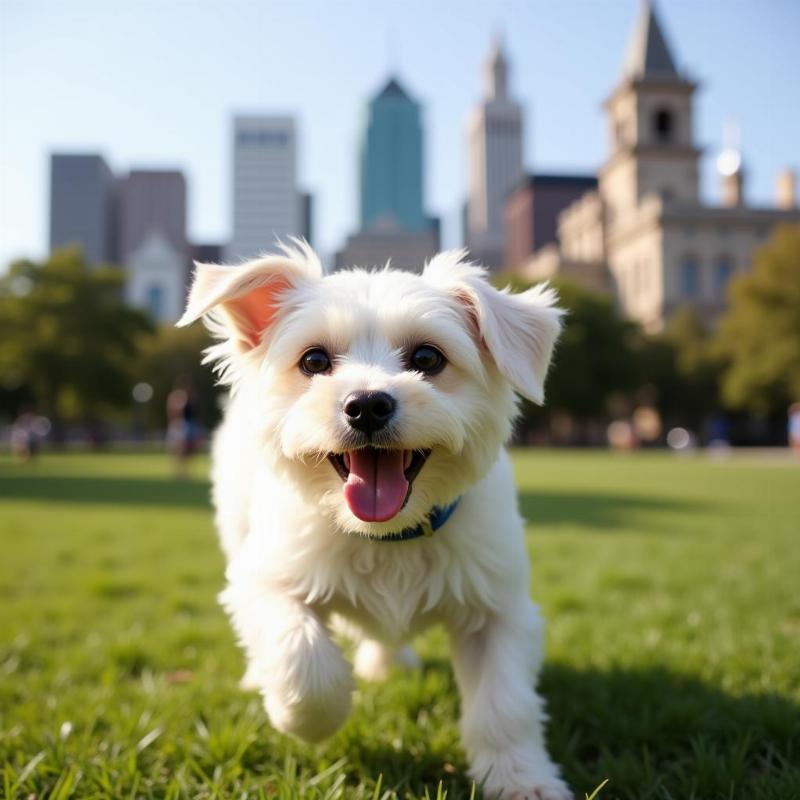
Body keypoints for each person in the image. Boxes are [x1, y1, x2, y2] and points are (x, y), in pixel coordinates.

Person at [166, 376, 199, 475]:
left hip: (191, 424)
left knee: (190, 449)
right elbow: (172, 411)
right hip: (180, 424)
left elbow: (196, 412)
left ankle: (185, 470)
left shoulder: (192, 396)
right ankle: (179, 470)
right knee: (180, 448)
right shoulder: (176, 396)